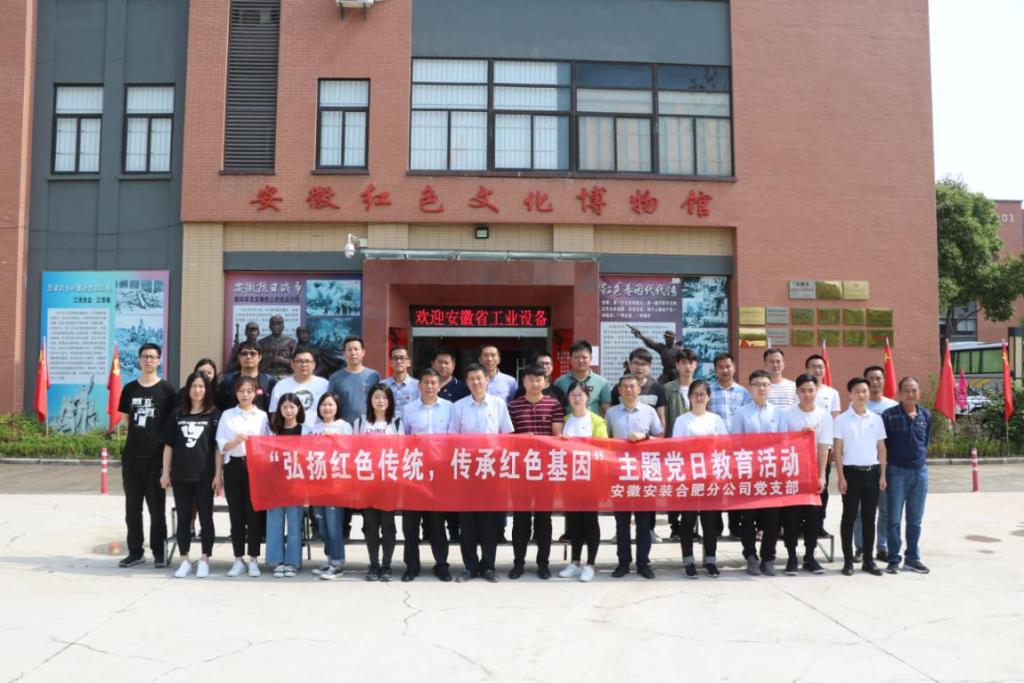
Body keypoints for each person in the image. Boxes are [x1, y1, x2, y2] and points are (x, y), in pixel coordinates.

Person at [451, 364, 514, 582]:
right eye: (471, 379)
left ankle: (488, 566)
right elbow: (453, 438)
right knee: (467, 522)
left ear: (487, 380)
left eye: (479, 378)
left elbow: (506, 437)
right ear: (466, 382)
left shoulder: (498, 404)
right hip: (467, 471)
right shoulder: (458, 407)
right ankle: (469, 567)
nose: (476, 382)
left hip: (491, 470)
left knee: (490, 523)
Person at [117, 343, 178, 569]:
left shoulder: (167, 390)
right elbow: (126, 420)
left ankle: (159, 552)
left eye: (153, 357)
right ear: (139, 360)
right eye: (145, 356)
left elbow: (172, 424)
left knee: (156, 509)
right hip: (132, 457)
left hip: (156, 458)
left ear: (159, 360)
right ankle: (135, 552)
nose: (148, 360)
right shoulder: (129, 389)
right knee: (132, 508)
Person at [159, 371, 220, 579]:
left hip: (205, 476)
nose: (197, 390)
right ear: (188, 389)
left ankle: (205, 559)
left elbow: (218, 448)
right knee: (184, 519)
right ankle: (184, 559)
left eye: (201, 386)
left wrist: (217, 475)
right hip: (180, 476)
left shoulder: (214, 415)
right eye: (194, 386)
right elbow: (168, 446)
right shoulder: (177, 414)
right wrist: (165, 472)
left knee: (206, 518)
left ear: (207, 389)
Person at [508, 364, 564, 580]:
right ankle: (518, 563)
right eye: (530, 379)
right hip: (520, 471)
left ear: (546, 382)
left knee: (544, 520)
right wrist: (522, 439)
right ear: (523, 382)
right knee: (520, 520)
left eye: (538, 379)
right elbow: (508, 437)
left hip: (546, 471)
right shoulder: (513, 406)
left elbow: (557, 437)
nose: (534, 383)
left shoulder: (554, 405)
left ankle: (543, 563)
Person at [605, 374, 664, 579]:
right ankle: (623, 563)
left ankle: (643, 563)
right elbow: (605, 440)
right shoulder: (611, 413)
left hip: (644, 474)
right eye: (625, 387)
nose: (629, 390)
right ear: (619, 391)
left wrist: (645, 437)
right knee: (621, 523)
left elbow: (661, 438)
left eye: (632, 386)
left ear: (639, 389)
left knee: (644, 522)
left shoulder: (649, 411)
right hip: (620, 474)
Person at [671, 379, 728, 578]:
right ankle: (688, 560)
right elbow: (676, 447)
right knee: (687, 521)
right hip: (689, 477)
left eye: (703, 394)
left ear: (708, 397)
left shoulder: (716, 420)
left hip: (711, 477)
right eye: (695, 394)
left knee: (710, 521)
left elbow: (725, 446)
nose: (699, 397)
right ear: (689, 397)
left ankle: (710, 560)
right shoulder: (682, 420)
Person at [401, 369, 454, 582]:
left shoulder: (450, 408)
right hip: (414, 472)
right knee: (410, 524)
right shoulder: (408, 409)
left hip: (439, 473)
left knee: (437, 523)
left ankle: (441, 564)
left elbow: (454, 439)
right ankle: (411, 566)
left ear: (439, 386)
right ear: (419, 385)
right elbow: (403, 439)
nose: (430, 386)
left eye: (433, 382)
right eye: (426, 382)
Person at [214, 376, 270, 577]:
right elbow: (221, 445)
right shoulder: (227, 415)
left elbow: (268, 444)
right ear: (235, 393)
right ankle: (238, 558)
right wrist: (234, 442)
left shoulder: (262, 416)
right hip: (233, 466)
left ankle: (254, 558)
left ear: (255, 393)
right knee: (236, 514)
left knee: (254, 514)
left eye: (249, 391)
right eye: (241, 391)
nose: (245, 395)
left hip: (256, 467)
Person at [834, 377, 888, 576]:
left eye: (864, 391)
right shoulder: (841, 420)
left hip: (872, 473)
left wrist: (882, 474)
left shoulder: (876, 419)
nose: (861, 394)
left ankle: (868, 561)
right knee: (848, 517)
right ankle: (848, 561)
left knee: (869, 518)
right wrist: (841, 477)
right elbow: (837, 450)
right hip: (851, 474)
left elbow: (881, 448)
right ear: (850, 394)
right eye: (857, 391)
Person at [733, 369, 785, 576]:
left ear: (770, 387)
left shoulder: (778, 413)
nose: (761, 388)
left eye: (765, 384)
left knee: (772, 518)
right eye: (757, 384)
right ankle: (751, 557)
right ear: (750, 388)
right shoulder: (741, 413)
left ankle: (768, 558)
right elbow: (736, 443)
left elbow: (783, 442)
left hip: (771, 473)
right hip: (749, 473)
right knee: (748, 518)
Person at [556, 380, 608, 582]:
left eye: (580, 395)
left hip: (591, 480)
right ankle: (575, 562)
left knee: (590, 521)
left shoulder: (597, 421)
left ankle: (591, 564)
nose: (577, 399)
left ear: (587, 397)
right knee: (574, 522)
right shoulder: (565, 420)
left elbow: (603, 450)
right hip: (570, 480)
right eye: (573, 395)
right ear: (568, 398)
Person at [780, 373, 832, 575]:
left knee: (813, 517)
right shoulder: (786, 414)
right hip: (792, 472)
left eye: (811, 390)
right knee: (791, 517)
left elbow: (824, 448)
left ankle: (810, 556)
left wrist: (822, 476)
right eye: (802, 391)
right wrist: (799, 437)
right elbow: (780, 443)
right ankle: (792, 557)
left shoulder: (824, 416)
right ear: (797, 392)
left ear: (816, 391)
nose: (807, 394)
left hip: (812, 474)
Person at [881, 377, 931, 574]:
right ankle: (893, 559)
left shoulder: (925, 415)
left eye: (914, 390)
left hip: (920, 472)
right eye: (907, 390)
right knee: (893, 519)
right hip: (896, 472)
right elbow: (883, 446)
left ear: (919, 392)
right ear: (899, 393)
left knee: (915, 520)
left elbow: (925, 442)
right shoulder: (889, 415)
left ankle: (912, 558)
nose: (911, 394)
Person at [353, 384, 402, 582]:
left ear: (390, 401)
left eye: (384, 397)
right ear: (370, 400)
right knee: (371, 525)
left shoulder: (397, 423)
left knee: (388, 525)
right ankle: (374, 564)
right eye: (376, 397)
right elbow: (353, 450)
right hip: (367, 482)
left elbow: (401, 451)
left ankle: (387, 565)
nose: (380, 401)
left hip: (389, 482)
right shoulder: (360, 422)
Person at [304, 392, 351, 581]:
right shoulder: (314, 428)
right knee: (321, 524)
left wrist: (334, 439)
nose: (327, 408)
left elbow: (351, 450)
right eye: (323, 404)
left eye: (331, 404)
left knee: (333, 524)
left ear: (337, 407)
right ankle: (330, 558)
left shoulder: (344, 426)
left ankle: (337, 563)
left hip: (336, 483)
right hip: (317, 481)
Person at [707, 352, 751, 539]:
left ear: (734, 368)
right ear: (715, 369)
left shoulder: (744, 393)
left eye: (728, 366)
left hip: (737, 449)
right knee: (715, 488)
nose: (724, 370)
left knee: (735, 488)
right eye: (720, 367)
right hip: (715, 450)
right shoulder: (708, 391)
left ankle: (735, 526)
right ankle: (716, 527)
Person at [858, 365, 899, 562]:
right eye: (871, 379)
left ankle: (882, 547)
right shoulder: (858, 406)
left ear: (884, 381)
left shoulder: (892, 406)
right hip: (862, 466)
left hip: (886, 466)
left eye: (878, 378)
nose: (875, 382)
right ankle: (860, 547)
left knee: (885, 510)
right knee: (861, 511)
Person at [265, 393, 306, 578]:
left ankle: (293, 562)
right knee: (275, 522)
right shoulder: (273, 431)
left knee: (294, 523)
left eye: (292, 406)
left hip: (296, 483)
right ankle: (277, 560)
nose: (288, 410)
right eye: (285, 407)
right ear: (279, 410)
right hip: (275, 483)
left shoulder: (306, 430)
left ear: (299, 409)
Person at [805, 354, 841, 538]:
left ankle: (819, 523)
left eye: (820, 367)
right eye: (813, 366)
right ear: (807, 369)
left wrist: (834, 446)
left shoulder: (832, 393)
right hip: (802, 451)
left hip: (823, 449)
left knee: (822, 486)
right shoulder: (802, 390)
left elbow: (836, 419)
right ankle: (802, 523)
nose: (817, 370)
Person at [664, 347, 698, 541]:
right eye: (683, 362)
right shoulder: (668, 389)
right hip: (674, 449)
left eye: (691, 362)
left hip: (696, 451)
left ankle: (691, 527)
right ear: (677, 365)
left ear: (696, 365)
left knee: (693, 489)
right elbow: (666, 418)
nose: (687, 366)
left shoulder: (701, 388)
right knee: (675, 488)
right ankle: (675, 526)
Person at [327, 336, 381, 424]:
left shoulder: (374, 376)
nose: (353, 353)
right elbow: (330, 404)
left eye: (356, 349)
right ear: (344, 353)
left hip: (368, 426)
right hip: (343, 427)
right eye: (349, 350)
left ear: (363, 352)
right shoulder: (335, 378)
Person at [611, 348, 667, 430]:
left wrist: (661, 436)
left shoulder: (658, 388)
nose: (639, 368)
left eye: (643, 364)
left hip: (648, 436)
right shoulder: (619, 388)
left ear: (650, 366)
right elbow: (613, 415)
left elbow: (661, 416)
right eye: (636, 363)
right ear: (630, 365)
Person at [269, 348, 329, 425]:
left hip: (319, 430)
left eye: (307, 361)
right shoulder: (280, 386)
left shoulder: (325, 385)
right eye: (299, 361)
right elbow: (274, 414)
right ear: (292, 364)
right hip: (290, 431)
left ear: (314, 365)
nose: (303, 365)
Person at [553, 340, 611, 416]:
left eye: (584, 357)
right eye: (577, 357)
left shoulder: (602, 382)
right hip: (568, 422)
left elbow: (605, 409)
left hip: (593, 423)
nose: (580, 360)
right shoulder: (559, 382)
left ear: (591, 359)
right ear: (570, 359)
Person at [218, 341, 276, 411]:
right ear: (239, 357)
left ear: (260, 357)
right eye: (244, 353)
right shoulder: (228, 382)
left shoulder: (269, 382)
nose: (248, 356)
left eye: (253, 353)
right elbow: (220, 407)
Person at [381, 345, 419, 418]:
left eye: (402, 358)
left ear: (409, 362)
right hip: (388, 424)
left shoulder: (418, 385)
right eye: (395, 358)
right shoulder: (383, 385)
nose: (399, 361)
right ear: (390, 363)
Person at [258, 314, 297, 379]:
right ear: (270, 327)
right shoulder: (262, 342)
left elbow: (297, 363)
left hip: (285, 375)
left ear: (283, 327)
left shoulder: (291, 342)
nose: (277, 327)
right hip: (266, 376)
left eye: (279, 324)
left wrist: (284, 361)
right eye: (274, 324)